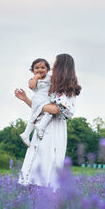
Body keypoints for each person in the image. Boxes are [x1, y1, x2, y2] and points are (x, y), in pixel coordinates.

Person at [14, 54, 81, 190]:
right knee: (33, 171)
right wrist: (26, 99)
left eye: (55, 65)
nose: (52, 68)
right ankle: (35, 206)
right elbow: (42, 108)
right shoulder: (53, 86)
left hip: (54, 130)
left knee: (46, 171)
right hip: (41, 128)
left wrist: (37, 104)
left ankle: (48, 206)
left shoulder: (68, 89)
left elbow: (55, 109)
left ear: (62, 68)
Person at [19, 58, 53, 147]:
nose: (39, 70)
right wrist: (36, 77)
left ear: (48, 70)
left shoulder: (50, 78)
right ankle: (37, 129)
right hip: (39, 99)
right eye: (36, 68)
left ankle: (29, 132)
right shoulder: (33, 79)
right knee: (43, 115)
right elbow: (31, 86)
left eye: (43, 68)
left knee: (39, 116)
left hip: (47, 99)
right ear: (33, 71)